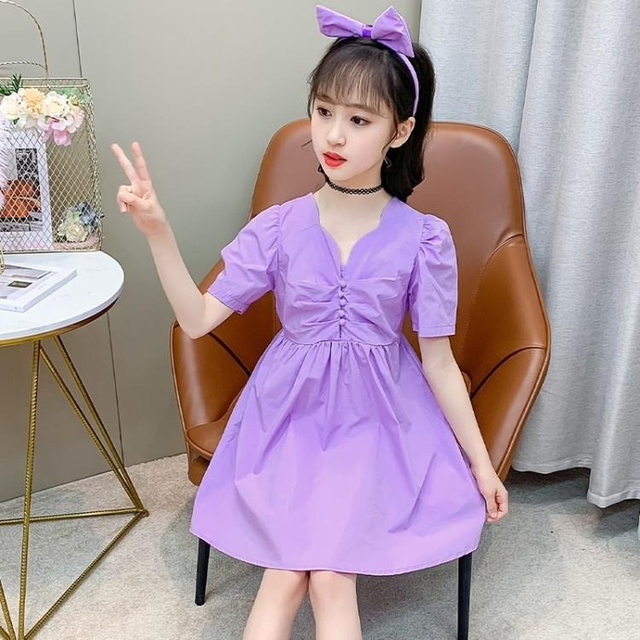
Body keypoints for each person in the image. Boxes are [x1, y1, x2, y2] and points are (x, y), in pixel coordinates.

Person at [112, 5, 508, 639]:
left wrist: (481, 465)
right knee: (285, 574)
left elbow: (439, 363)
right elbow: (197, 320)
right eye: (324, 111)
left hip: (379, 423)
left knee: (328, 575)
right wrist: (158, 234)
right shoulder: (278, 227)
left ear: (400, 131)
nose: (333, 136)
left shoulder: (425, 239)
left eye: (359, 120)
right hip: (287, 420)